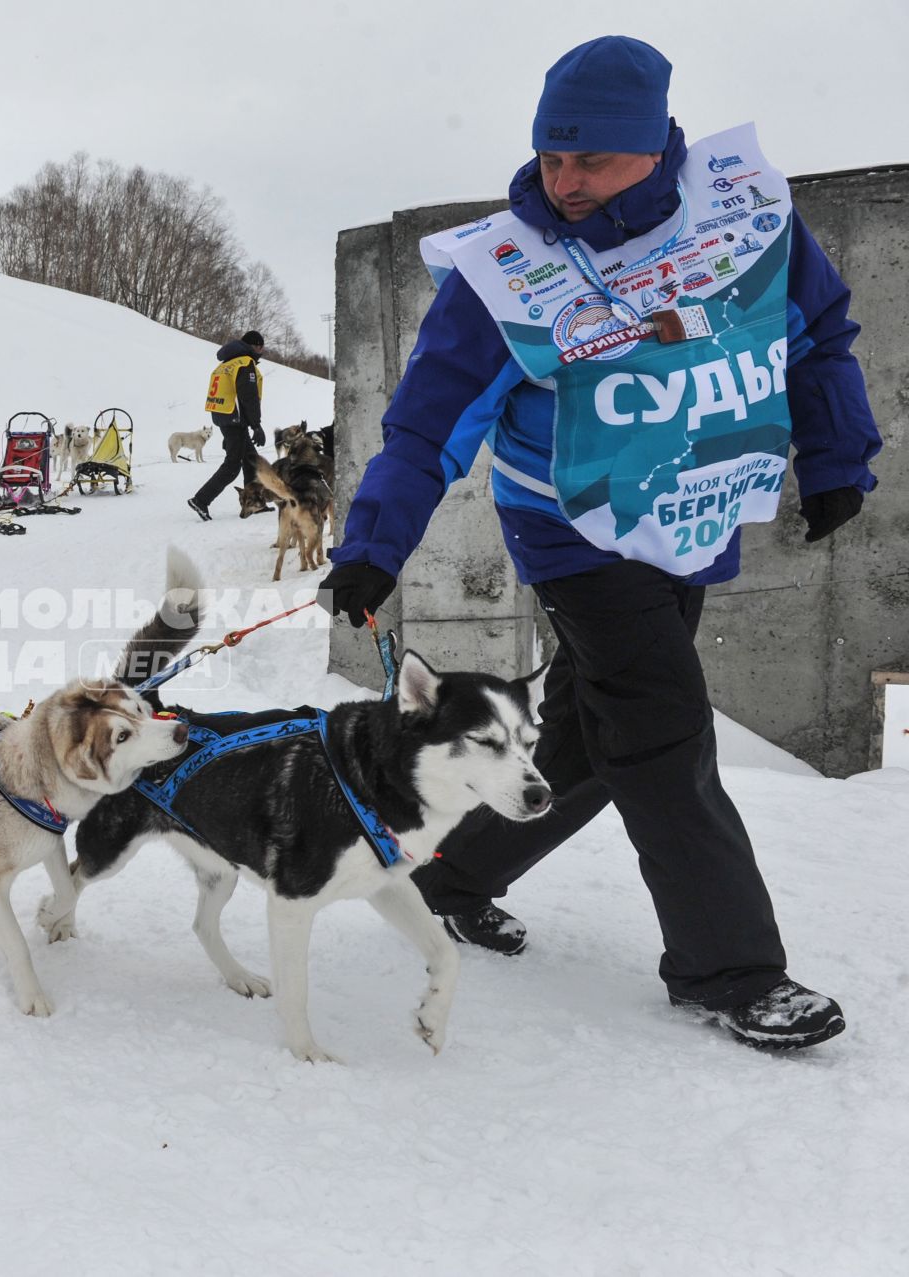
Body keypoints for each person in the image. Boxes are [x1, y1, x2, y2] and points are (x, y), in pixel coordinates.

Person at [320, 36, 881, 1049]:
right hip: (572, 528)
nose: (564, 183)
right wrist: (376, 544)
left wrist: (838, 457)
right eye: (550, 157)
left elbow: (812, 336)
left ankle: (449, 879)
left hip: (691, 511)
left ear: (655, 150)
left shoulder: (742, 220)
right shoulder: (509, 271)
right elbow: (429, 420)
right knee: (664, 732)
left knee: (589, 725)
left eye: (592, 161)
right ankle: (731, 967)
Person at [187, 330, 267, 520]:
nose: (262, 350)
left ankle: (256, 502)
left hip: (226, 417)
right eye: (261, 346)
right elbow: (248, 397)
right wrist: (256, 425)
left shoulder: (225, 365)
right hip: (235, 420)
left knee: (251, 460)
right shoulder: (245, 363)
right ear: (255, 346)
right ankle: (201, 500)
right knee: (233, 466)